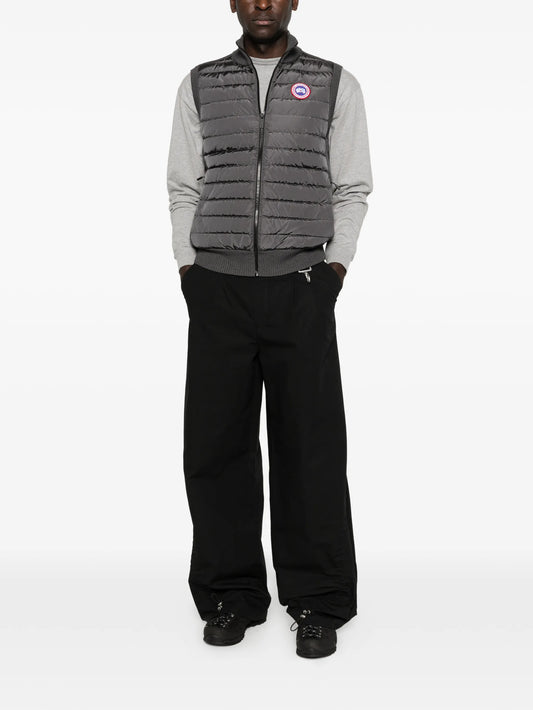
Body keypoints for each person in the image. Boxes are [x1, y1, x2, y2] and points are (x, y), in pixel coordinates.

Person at [166, 0, 373, 659]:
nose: (262, 4)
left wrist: (333, 268)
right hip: (218, 288)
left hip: (300, 286)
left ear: (292, 2)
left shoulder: (333, 81)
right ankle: (230, 594)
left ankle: (318, 602)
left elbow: (351, 186)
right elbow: (183, 184)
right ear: (233, 2)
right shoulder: (201, 82)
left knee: (310, 449)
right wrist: (189, 268)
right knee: (215, 448)